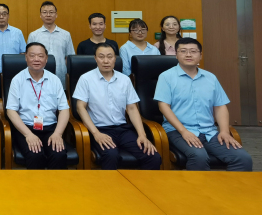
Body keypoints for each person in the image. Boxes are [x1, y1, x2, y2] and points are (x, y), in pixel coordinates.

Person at [154, 38, 252, 171]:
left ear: (200, 55)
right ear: (176, 55)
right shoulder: (166, 77)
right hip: (178, 131)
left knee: (242, 158)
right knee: (198, 156)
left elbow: (220, 106)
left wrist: (224, 131)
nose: (188, 54)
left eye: (193, 51)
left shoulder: (210, 78)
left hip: (209, 132)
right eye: (183, 51)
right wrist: (184, 132)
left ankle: (231, 185)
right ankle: (199, 186)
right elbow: (163, 106)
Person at [73, 43, 161, 170]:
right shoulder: (86, 79)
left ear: (115, 58)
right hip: (100, 129)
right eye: (101, 57)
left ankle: (141, 183)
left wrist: (142, 135)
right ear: (95, 59)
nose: (106, 61)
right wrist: (96, 133)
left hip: (123, 130)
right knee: (111, 155)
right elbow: (80, 107)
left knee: (152, 156)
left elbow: (132, 108)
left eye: (110, 56)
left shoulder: (124, 80)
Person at [6, 42, 70, 170]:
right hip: (25, 128)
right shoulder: (17, 80)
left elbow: (64, 109)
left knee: (58, 154)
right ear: (26, 58)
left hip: (50, 128)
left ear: (46, 59)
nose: (36, 59)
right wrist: (28, 134)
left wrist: (58, 133)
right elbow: (11, 111)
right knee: (35, 154)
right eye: (32, 55)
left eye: (40, 56)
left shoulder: (54, 80)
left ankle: (55, 183)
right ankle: (36, 184)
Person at [27, 1, 75, 88]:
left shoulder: (66, 34)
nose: (48, 15)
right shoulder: (33, 35)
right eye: (45, 12)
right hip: (39, 76)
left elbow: (69, 57)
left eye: (51, 12)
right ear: (40, 15)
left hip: (61, 76)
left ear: (56, 15)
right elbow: (29, 57)